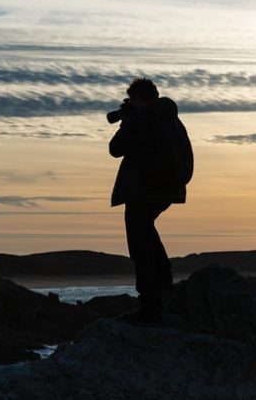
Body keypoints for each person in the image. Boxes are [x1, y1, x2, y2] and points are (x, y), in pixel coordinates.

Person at [108, 78, 193, 326]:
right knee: (147, 234)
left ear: (138, 99)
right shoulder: (170, 117)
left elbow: (116, 148)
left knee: (140, 245)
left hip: (143, 191)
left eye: (131, 100)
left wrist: (128, 120)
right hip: (166, 191)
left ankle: (150, 306)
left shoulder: (142, 118)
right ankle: (165, 289)